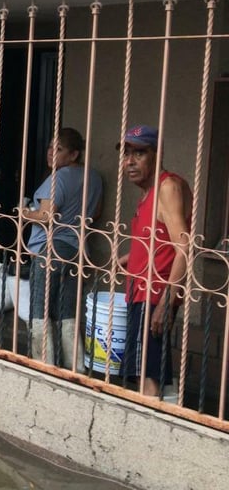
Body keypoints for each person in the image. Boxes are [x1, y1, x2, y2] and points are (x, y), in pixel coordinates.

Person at [117, 124, 192, 398]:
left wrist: (166, 301)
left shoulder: (167, 187)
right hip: (142, 291)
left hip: (153, 294)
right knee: (149, 370)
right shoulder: (151, 190)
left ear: (156, 154)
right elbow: (160, 237)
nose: (129, 161)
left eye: (139, 153)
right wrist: (132, 256)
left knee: (146, 376)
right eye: (126, 154)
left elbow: (183, 244)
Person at [22, 128, 103, 369]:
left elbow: (46, 216)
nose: (50, 153)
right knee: (68, 312)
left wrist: (24, 213)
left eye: (58, 149)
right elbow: (95, 213)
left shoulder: (57, 179)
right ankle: (75, 367)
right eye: (49, 147)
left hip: (50, 250)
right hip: (77, 251)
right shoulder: (94, 177)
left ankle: (43, 364)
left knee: (40, 309)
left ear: (74, 154)